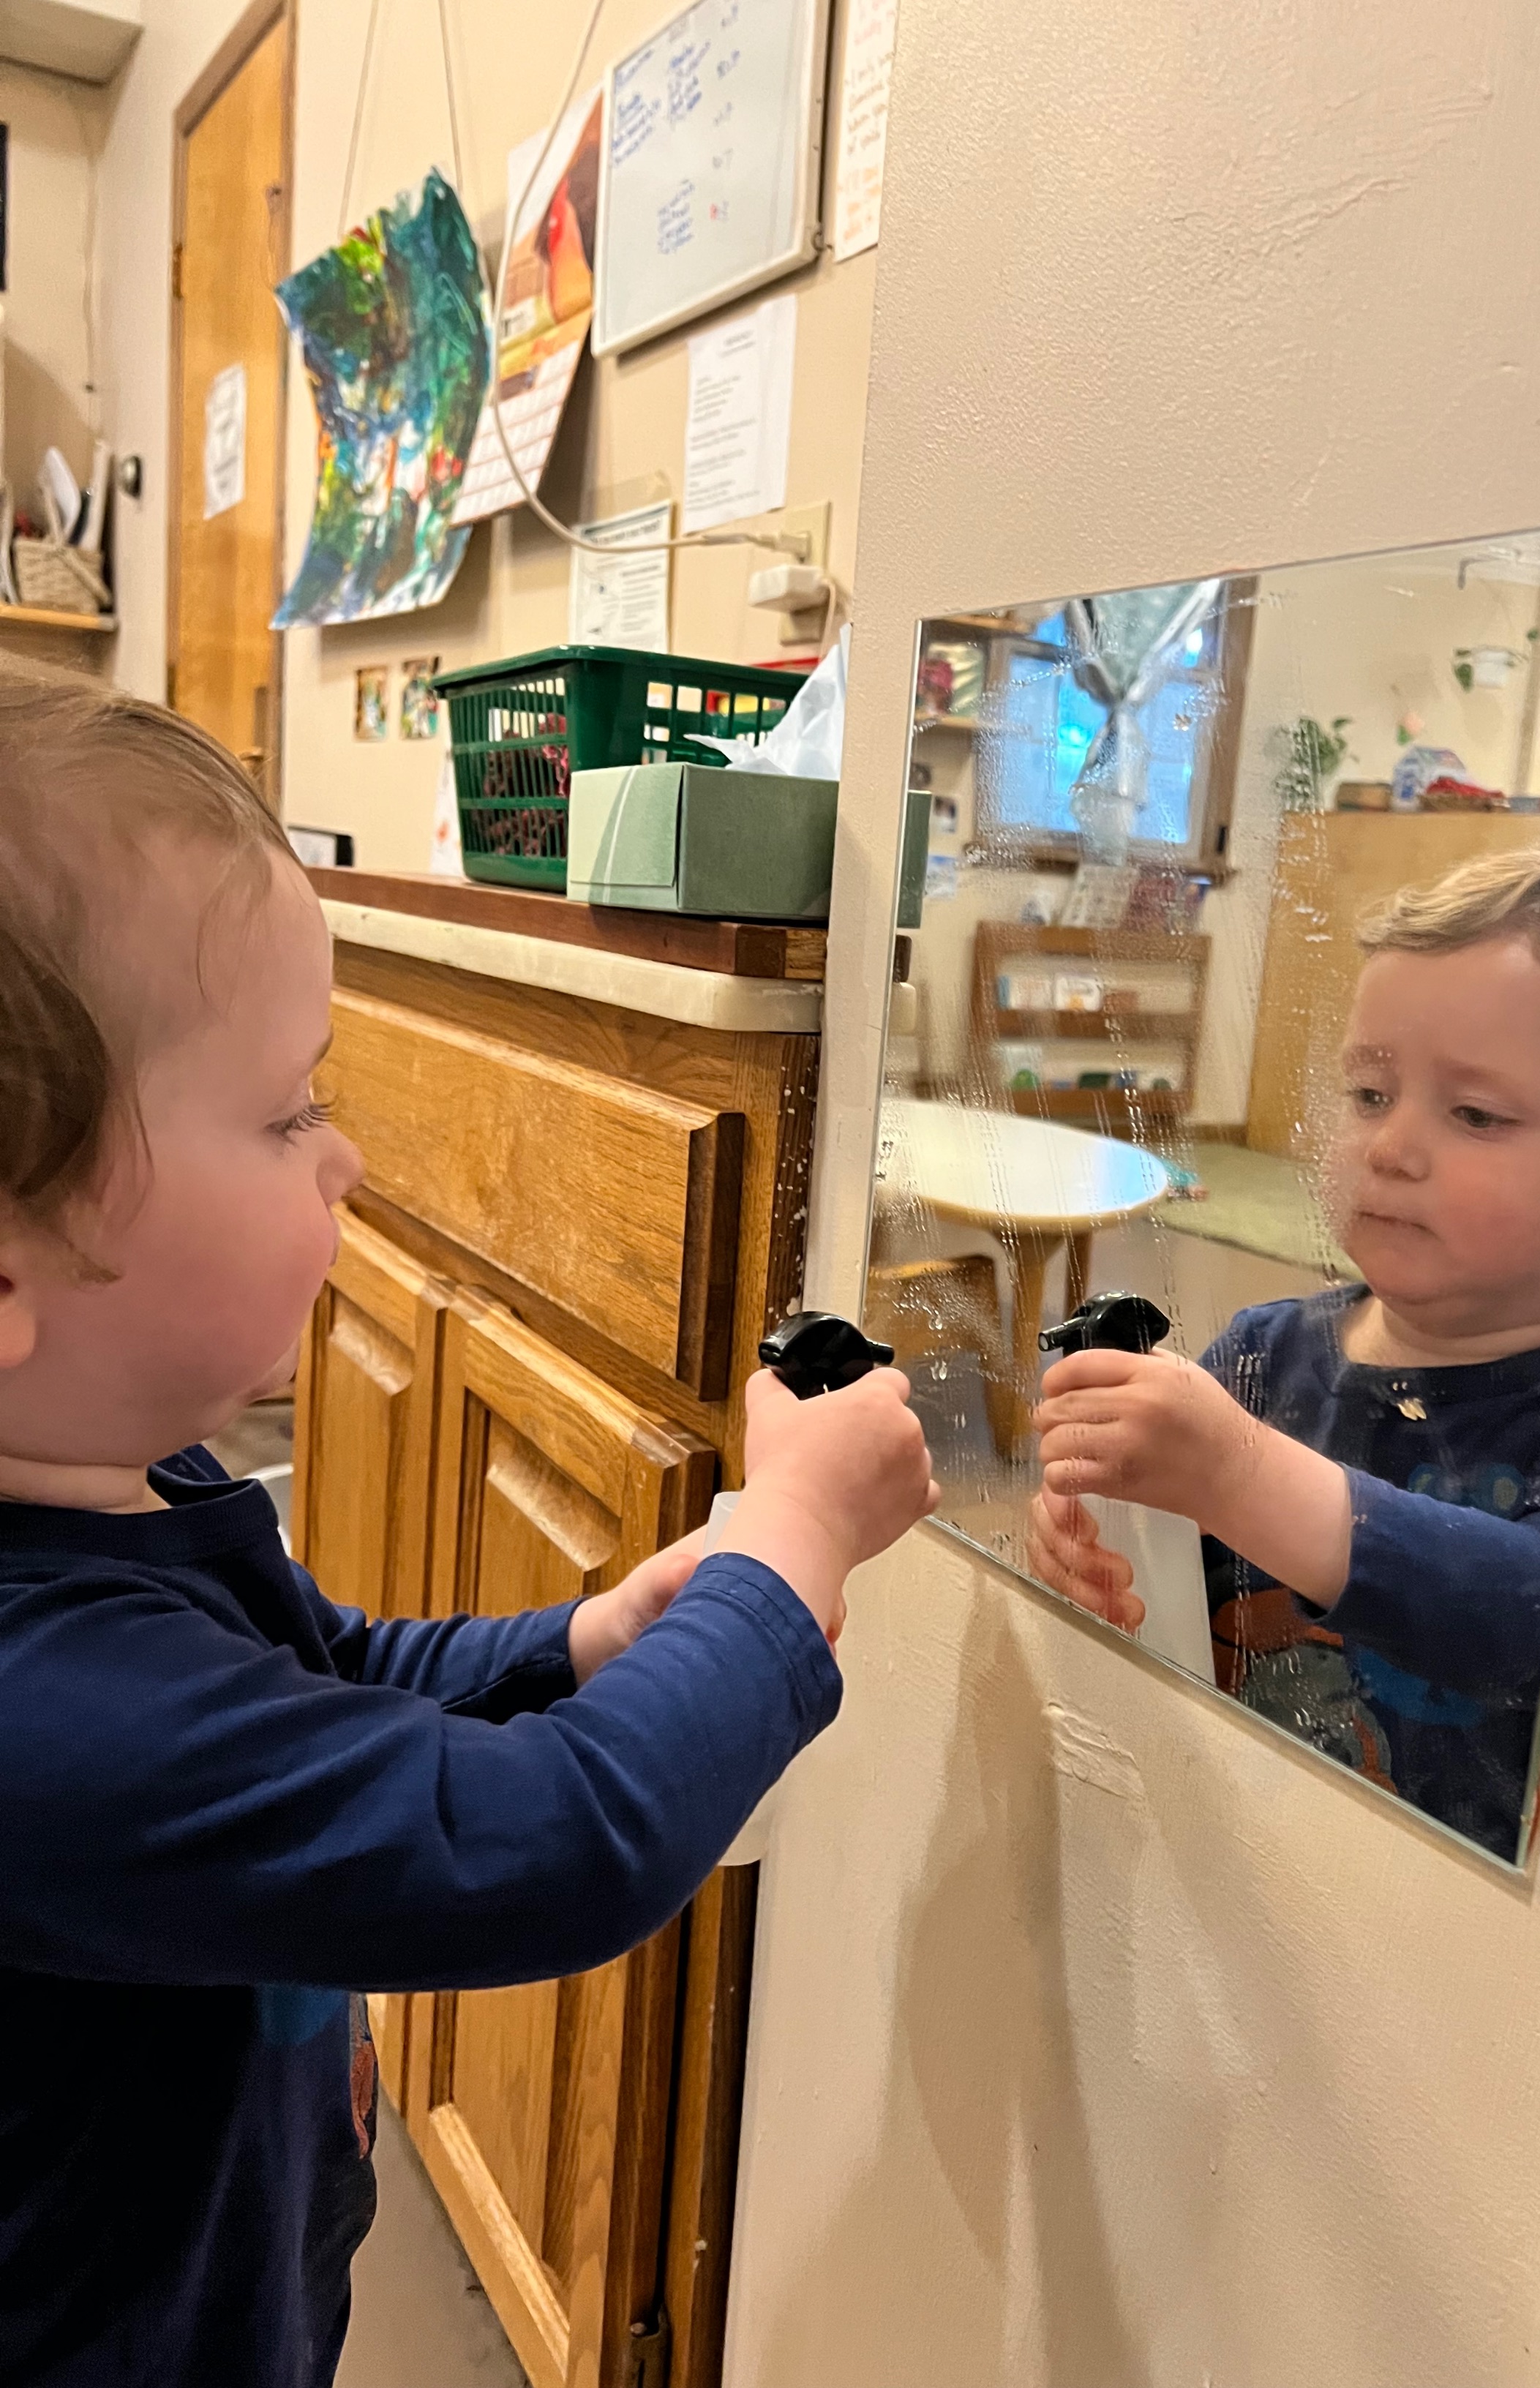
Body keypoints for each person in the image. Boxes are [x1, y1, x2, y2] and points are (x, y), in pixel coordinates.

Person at [0, 672, 937, 2386]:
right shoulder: (43, 1713)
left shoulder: (132, 1488)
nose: (343, 1158)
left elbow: (331, 1672)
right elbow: (545, 1841)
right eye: (286, 1113)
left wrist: (581, 1642)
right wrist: (789, 1547)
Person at [1027, 843, 1540, 1860]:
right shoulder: (1261, 1352)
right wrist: (1088, 1544)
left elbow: (1528, 1617)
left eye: (1476, 1114)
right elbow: (1169, 1563)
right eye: (1370, 1095)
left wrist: (1233, 1470)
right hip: (1239, 1861)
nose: (1391, 1147)